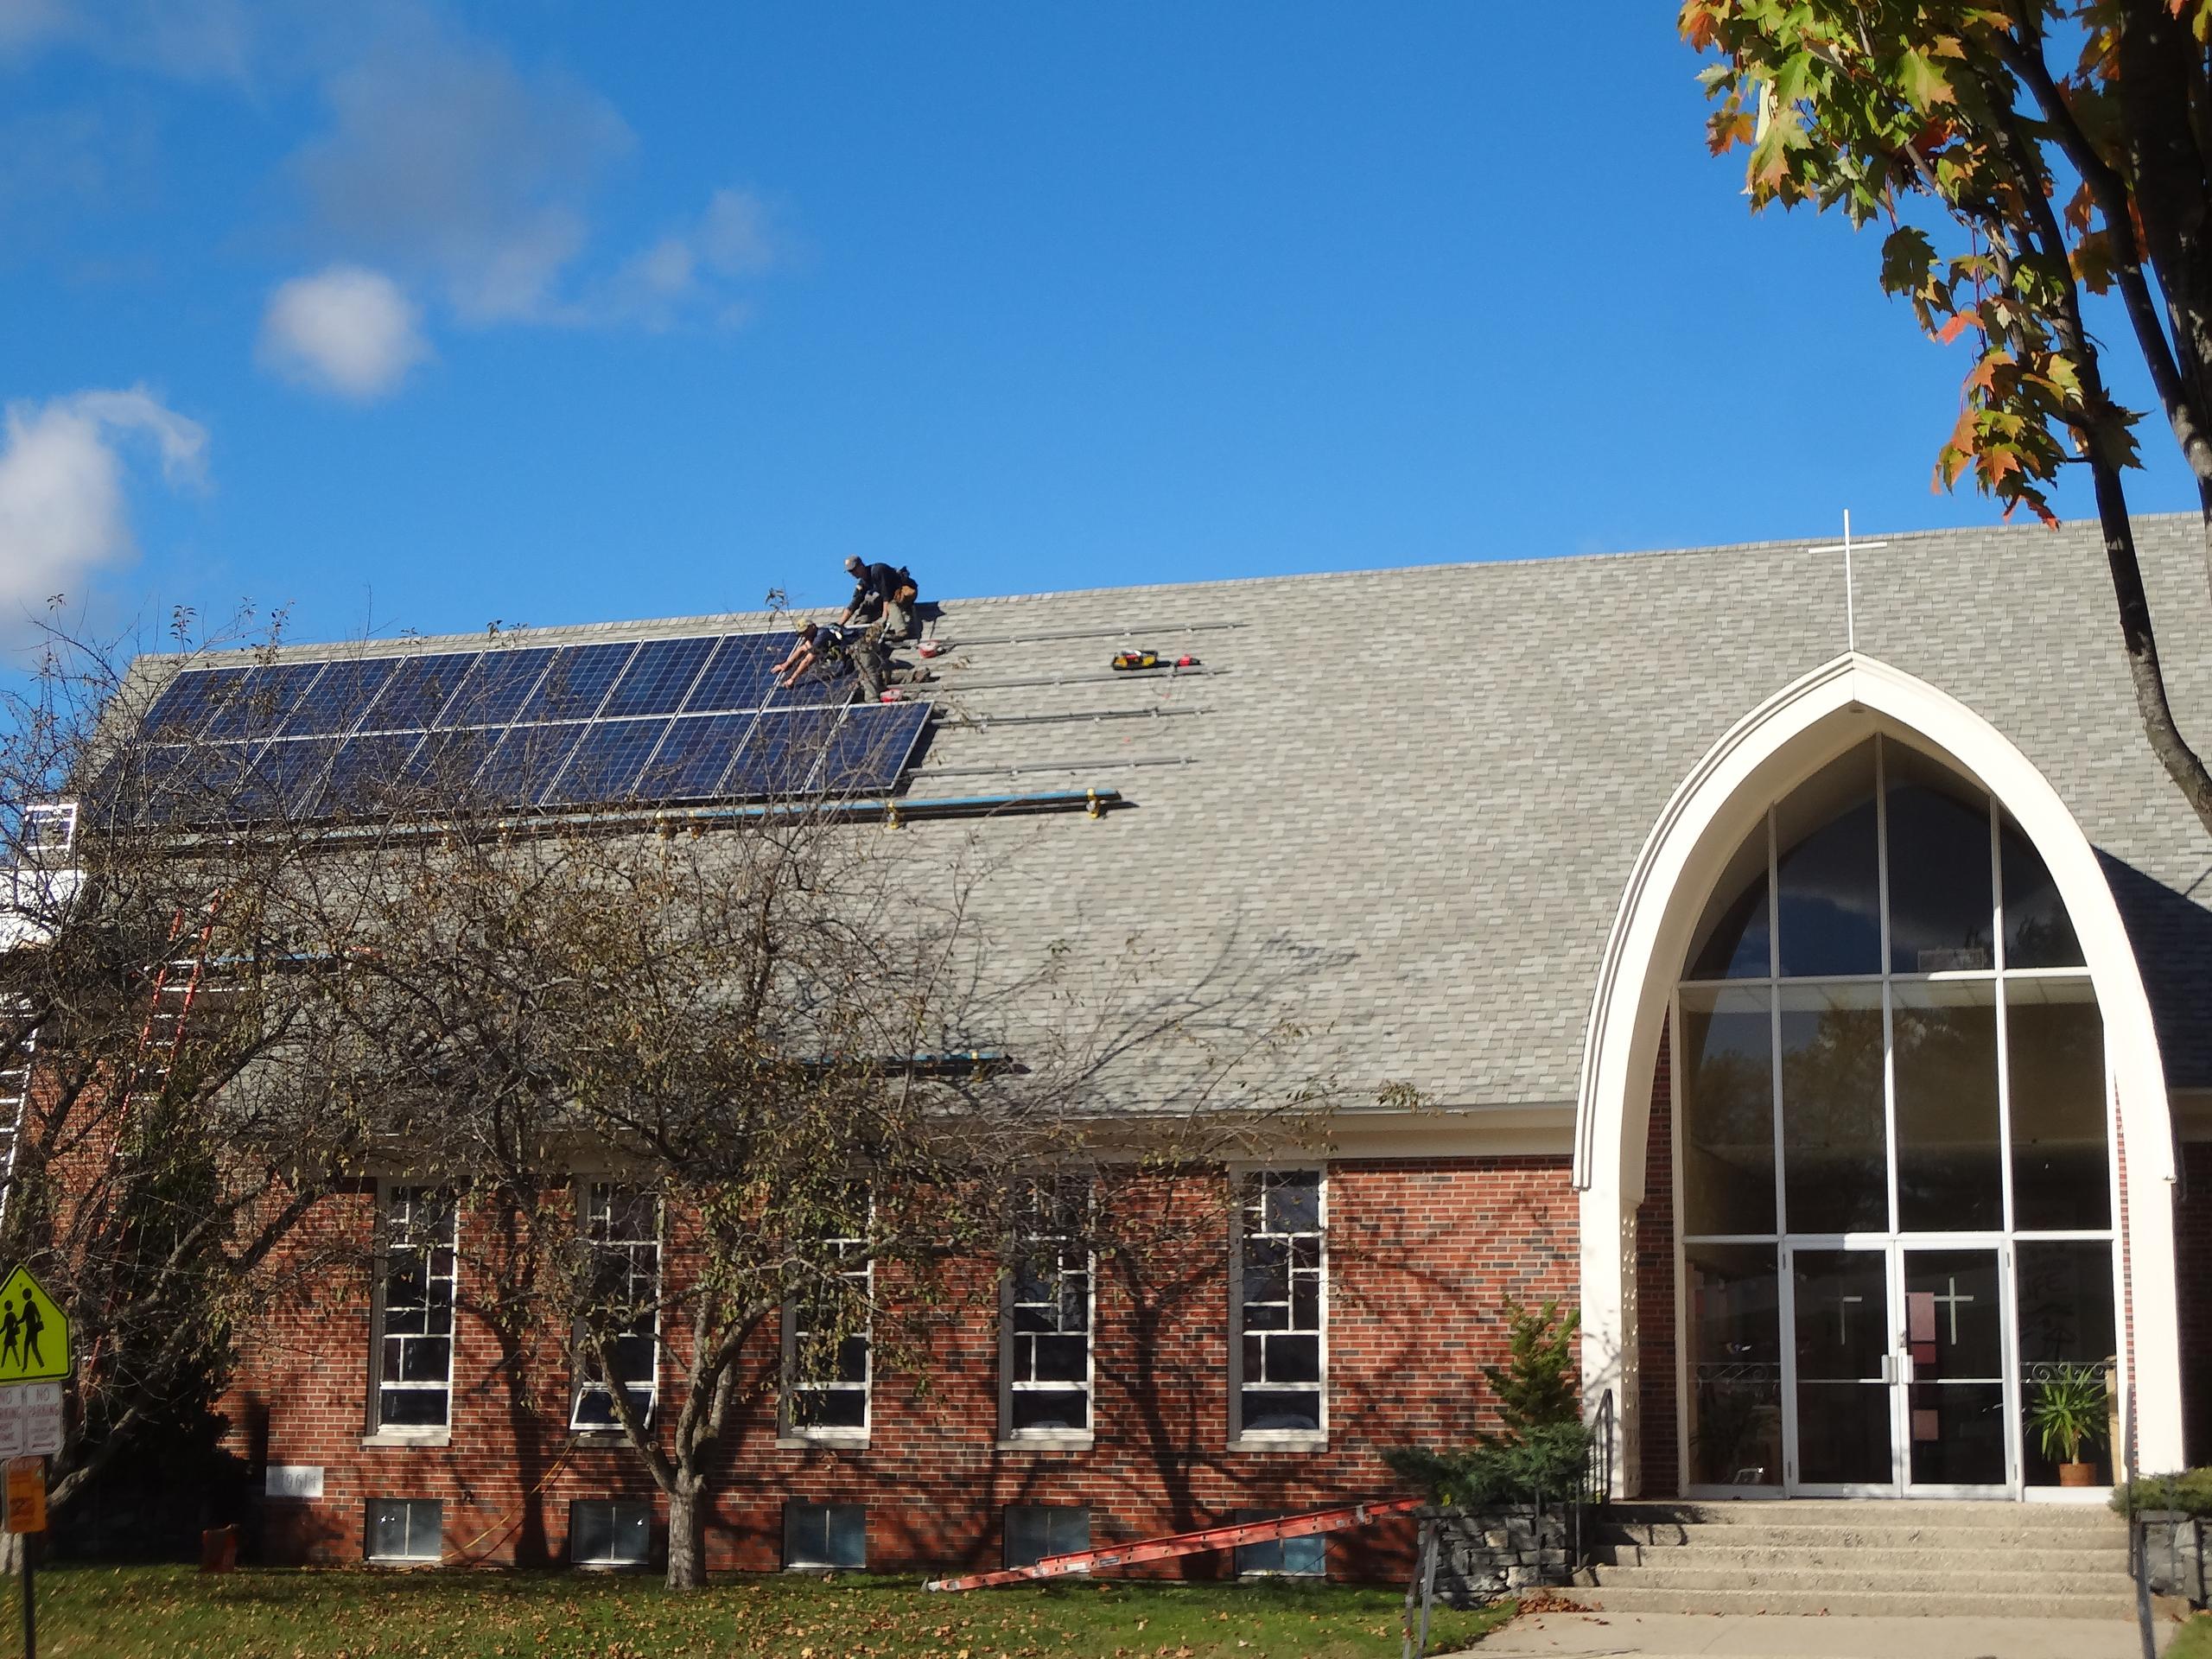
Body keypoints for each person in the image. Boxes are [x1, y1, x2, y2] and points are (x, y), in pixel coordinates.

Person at [840, 557, 918, 642]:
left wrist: (884, 619)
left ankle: (901, 631)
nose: (853, 573)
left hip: (903, 592)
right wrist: (839, 625)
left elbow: (886, 596)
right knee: (867, 605)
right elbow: (854, 603)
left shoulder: (878, 570)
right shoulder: (862, 583)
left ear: (861, 565)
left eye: (854, 569)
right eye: (850, 571)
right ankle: (860, 632)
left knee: (891, 605)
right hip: (888, 597)